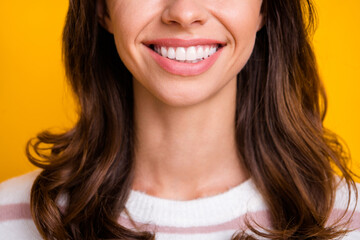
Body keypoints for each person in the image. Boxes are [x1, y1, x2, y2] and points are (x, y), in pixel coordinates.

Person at [0, 0, 359, 239]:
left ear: (264, 7)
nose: (184, 13)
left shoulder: (349, 222)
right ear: (101, 8)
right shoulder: (8, 221)